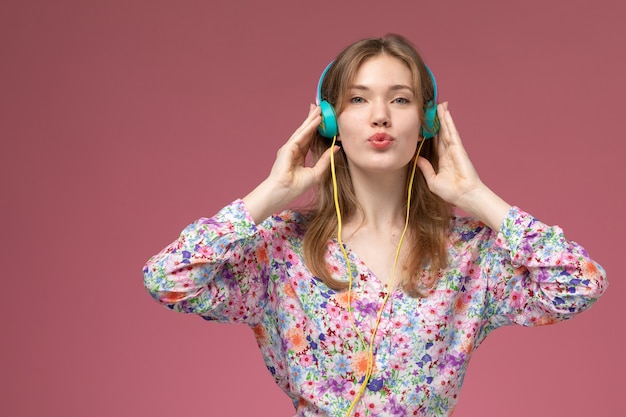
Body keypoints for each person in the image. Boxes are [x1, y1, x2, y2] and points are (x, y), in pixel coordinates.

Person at [143, 33, 607, 417]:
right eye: (358, 99)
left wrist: (475, 197)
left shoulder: (470, 253)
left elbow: (578, 283)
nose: (379, 115)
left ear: (426, 121)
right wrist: (270, 194)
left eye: (400, 99)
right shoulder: (280, 248)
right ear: (330, 120)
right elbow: (168, 280)